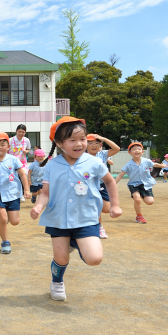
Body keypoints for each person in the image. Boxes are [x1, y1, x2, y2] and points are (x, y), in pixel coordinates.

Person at [30, 117, 122, 301]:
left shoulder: (94, 162)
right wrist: (38, 206)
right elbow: (46, 192)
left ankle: (73, 243)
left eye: (82, 139)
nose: (79, 144)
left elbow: (110, 182)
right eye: (72, 140)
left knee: (94, 259)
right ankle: (57, 281)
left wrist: (115, 205)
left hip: (85, 217)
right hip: (58, 218)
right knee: (62, 259)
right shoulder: (52, 165)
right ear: (59, 143)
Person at [115, 142, 166, 224]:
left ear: (142, 152)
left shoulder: (146, 161)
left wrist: (161, 165)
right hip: (134, 184)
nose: (137, 150)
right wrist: (112, 185)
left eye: (139, 149)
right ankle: (139, 216)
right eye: (134, 149)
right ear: (129, 152)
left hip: (146, 184)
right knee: (137, 199)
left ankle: (141, 195)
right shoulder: (128, 165)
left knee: (150, 202)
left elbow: (154, 164)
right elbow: (120, 175)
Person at [86, 134, 121, 239]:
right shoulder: (82, 156)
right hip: (90, 185)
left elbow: (117, 149)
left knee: (105, 209)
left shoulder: (103, 154)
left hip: (103, 184)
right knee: (97, 206)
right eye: (90, 143)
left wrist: (105, 138)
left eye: (97, 143)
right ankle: (99, 228)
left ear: (100, 145)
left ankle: (94, 220)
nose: (93, 145)